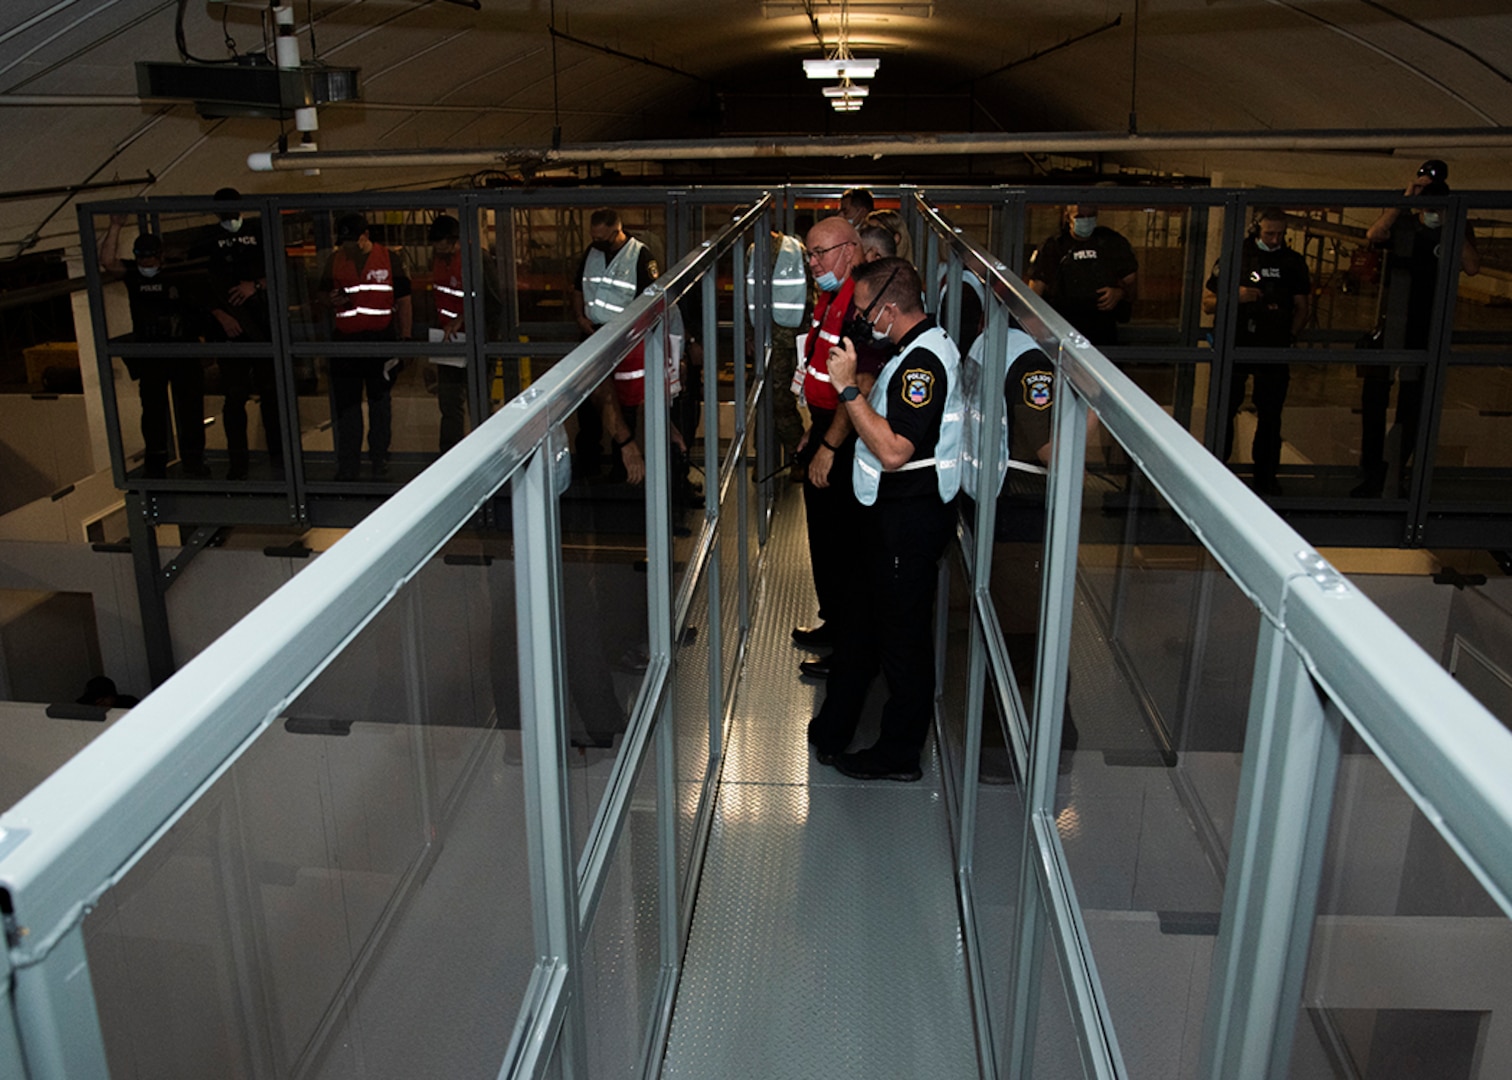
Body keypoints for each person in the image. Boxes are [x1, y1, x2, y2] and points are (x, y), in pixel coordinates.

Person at [807, 257, 963, 782]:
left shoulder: (924, 365)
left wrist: (850, 389)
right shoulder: (913, 350)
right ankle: (835, 728)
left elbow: (895, 450)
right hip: (890, 521)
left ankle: (899, 755)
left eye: (865, 310)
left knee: (902, 643)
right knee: (867, 623)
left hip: (909, 522)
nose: (860, 319)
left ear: (890, 308)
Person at [789, 215, 889, 670]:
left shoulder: (861, 303)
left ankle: (850, 646)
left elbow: (861, 383)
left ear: (849, 250)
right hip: (826, 424)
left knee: (843, 544)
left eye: (820, 253)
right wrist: (814, 427)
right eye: (810, 253)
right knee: (824, 542)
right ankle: (835, 622)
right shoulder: (831, 297)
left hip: (845, 437)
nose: (813, 262)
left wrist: (829, 447)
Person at [1353, 160, 1480, 498]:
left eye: (1432, 191)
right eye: (1422, 188)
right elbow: (1373, 235)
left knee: (1413, 406)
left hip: (1427, 330)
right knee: (1374, 400)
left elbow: (1471, 266)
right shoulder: (1404, 222)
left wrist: (1451, 218)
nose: (1427, 197)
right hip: (1393, 324)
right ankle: (1372, 470)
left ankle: (1398, 471)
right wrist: (1404, 201)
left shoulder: (1455, 226)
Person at [1203, 206, 1311, 496]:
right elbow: (1208, 303)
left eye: (1280, 234)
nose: (1275, 240)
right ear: (1256, 230)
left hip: (1273, 349)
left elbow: (1302, 307)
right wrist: (1235, 296)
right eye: (1269, 233)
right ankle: (1215, 476)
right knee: (1223, 411)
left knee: (1271, 416)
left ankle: (1266, 478)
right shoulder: (1235, 257)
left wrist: (1288, 336)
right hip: (1234, 346)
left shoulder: (1293, 262)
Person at [99, 217, 208, 480]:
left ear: (160, 255)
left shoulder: (177, 275)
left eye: (149, 257)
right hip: (151, 354)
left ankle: (193, 461)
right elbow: (108, 261)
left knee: (190, 409)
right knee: (153, 412)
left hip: (182, 350)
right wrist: (115, 228)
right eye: (140, 257)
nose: (145, 262)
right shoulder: (135, 276)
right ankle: (156, 462)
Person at [317, 213, 412, 481]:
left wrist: (404, 341)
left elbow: (404, 301)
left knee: (380, 405)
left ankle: (379, 459)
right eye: (343, 241)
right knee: (347, 408)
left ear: (365, 235)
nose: (347, 246)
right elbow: (322, 294)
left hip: (380, 341)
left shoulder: (390, 259)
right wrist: (330, 300)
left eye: (352, 240)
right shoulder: (335, 260)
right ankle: (349, 464)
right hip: (346, 345)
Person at [197, 187, 281, 480]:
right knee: (234, 398)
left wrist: (255, 286)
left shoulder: (260, 232)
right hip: (230, 334)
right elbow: (198, 286)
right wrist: (220, 315)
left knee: (272, 396)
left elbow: (279, 271)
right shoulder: (207, 240)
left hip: (263, 331)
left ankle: (280, 461)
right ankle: (238, 465)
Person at [570, 208, 659, 483]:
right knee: (588, 403)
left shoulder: (640, 255)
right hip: (592, 337)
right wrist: (580, 317)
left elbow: (652, 301)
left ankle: (624, 471)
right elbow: (577, 288)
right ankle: (589, 466)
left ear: (617, 231)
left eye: (602, 238)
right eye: (593, 237)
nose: (596, 242)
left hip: (624, 342)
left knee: (624, 402)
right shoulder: (591, 253)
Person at [427, 213, 503, 453]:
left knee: (478, 402)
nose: (439, 251)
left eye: (443, 246)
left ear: (455, 240)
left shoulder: (477, 259)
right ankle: (450, 455)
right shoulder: (440, 260)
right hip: (450, 341)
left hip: (477, 341)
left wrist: (461, 321)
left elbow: (492, 303)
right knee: (449, 403)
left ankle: (485, 454)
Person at [1027, 203, 1138, 346]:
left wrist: (1119, 293)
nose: (1085, 221)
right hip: (1063, 329)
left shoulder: (1111, 242)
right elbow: (1033, 293)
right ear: (1068, 217)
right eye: (1079, 217)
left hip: (1102, 330)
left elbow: (1132, 285)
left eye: (1090, 216)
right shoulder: (1054, 246)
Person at [747, 227, 809, 472]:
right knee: (763, 400)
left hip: (786, 338)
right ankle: (766, 458)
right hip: (764, 336)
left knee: (780, 401)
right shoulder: (753, 251)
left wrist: (804, 339)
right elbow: (748, 294)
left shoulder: (795, 250)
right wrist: (750, 334)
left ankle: (798, 454)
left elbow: (808, 294)